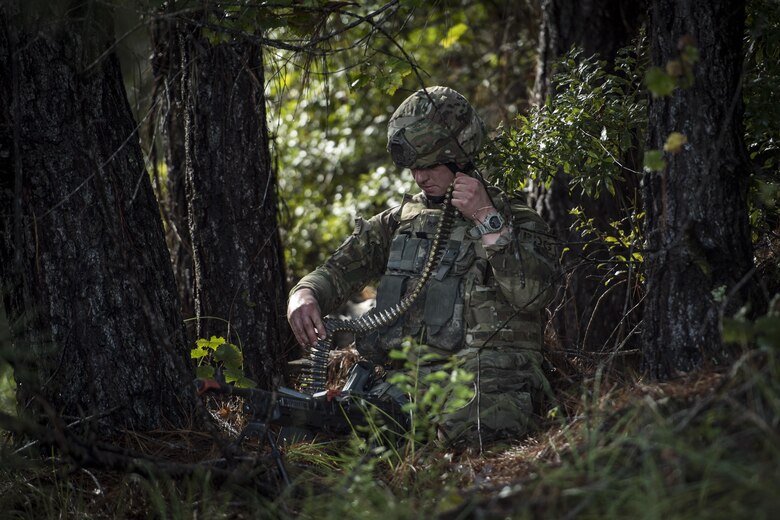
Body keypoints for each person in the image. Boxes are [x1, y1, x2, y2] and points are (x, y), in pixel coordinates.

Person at [287, 86, 559, 446]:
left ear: (460, 157)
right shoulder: (402, 220)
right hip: (409, 381)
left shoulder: (515, 218)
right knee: (329, 436)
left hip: (484, 381)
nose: (420, 178)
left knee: (460, 437)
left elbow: (532, 296)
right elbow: (340, 268)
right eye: (414, 168)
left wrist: (486, 220)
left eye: (429, 166)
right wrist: (305, 294)